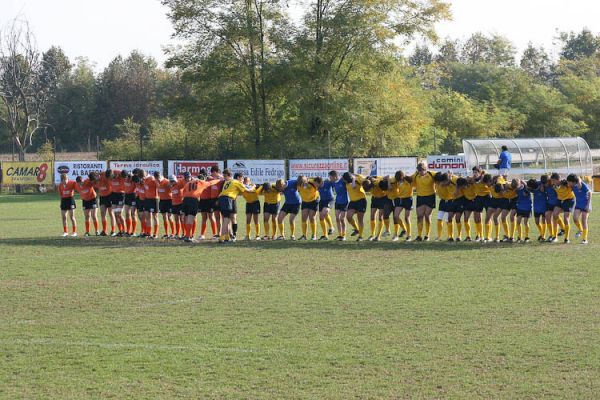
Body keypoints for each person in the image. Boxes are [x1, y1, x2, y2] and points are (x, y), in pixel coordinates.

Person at [218, 169, 250, 243]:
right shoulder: (236, 182)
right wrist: (253, 187)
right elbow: (246, 189)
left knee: (227, 218)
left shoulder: (227, 182)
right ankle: (222, 237)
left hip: (224, 199)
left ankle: (227, 237)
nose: (224, 177)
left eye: (225, 176)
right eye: (224, 176)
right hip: (227, 199)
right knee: (226, 219)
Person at [411, 162, 436, 241]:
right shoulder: (416, 175)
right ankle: (419, 236)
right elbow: (409, 180)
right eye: (419, 170)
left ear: (425, 169)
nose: (420, 172)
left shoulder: (431, 174)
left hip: (430, 197)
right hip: (420, 197)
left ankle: (427, 235)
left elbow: (440, 177)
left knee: (427, 216)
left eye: (422, 170)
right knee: (419, 217)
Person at [389, 171, 413, 242]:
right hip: (400, 199)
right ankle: (404, 229)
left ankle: (409, 236)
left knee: (407, 218)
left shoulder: (408, 179)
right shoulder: (397, 180)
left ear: (402, 176)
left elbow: (412, 180)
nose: (398, 181)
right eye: (397, 180)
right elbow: (390, 179)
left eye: (399, 179)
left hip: (408, 199)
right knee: (396, 216)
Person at [567, 174, 592, 244]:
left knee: (584, 220)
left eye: (569, 182)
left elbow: (590, 193)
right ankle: (580, 229)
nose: (568, 183)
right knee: (575, 218)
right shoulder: (572, 185)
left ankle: (584, 239)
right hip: (578, 204)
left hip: (586, 204)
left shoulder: (582, 185)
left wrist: (588, 205)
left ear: (572, 181)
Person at [343, 172, 367, 242]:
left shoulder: (357, 180)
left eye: (344, 179)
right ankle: (356, 229)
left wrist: (354, 178)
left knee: (360, 219)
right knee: (348, 217)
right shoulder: (347, 183)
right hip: (353, 202)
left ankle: (360, 236)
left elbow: (354, 186)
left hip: (361, 201)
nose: (343, 180)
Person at [76, 172, 100, 236]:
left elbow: (94, 181)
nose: (81, 183)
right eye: (79, 182)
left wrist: (94, 177)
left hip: (93, 199)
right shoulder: (77, 186)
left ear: (83, 180)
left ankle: (97, 231)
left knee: (94, 216)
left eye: (82, 182)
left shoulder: (87, 181)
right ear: (77, 183)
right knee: (87, 216)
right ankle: (87, 232)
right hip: (85, 201)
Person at [553, 175, 575, 243]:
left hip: (569, 200)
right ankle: (561, 230)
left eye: (554, 180)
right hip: (560, 200)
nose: (553, 182)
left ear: (558, 180)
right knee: (554, 215)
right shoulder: (554, 185)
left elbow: (573, 186)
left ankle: (566, 238)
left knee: (566, 218)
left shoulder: (565, 183)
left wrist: (567, 184)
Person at [298, 176, 320, 240]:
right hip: (305, 201)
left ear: (306, 181)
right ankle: (304, 236)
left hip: (314, 200)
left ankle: (314, 235)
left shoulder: (312, 182)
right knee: (303, 218)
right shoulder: (297, 184)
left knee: (312, 218)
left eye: (303, 182)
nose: (301, 184)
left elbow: (319, 182)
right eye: (300, 183)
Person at [330, 171, 350, 241]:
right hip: (337, 202)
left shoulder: (342, 180)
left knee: (342, 218)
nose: (329, 178)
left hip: (345, 202)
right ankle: (340, 235)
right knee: (337, 218)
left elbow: (349, 175)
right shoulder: (332, 183)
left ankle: (344, 235)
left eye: (330, 177)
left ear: (334, 176)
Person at [317, 174, 336, 241]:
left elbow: (334, 183)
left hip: (330, 200)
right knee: (322, 217)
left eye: (317, 184)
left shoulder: (327, 183)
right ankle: (326, 233)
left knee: (324, 213)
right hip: (322, 201)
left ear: (321, 182)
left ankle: (329, 231)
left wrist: (332, 180)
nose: (316, 186)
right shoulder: (317, 185)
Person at [96, 170, 115, 236]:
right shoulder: (98, 178)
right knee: (102, 213)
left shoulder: (105, 176)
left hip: (109, 196)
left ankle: (113, 230)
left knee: (111, 213)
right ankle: (104, 230)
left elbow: (107, 172)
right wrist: (97, 175)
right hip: (102, 197)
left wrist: (100, 174)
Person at [110, 169, 126, 236]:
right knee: (115, 214)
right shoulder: (110, 176)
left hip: (121, 195)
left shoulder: (120, 175)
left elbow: (123, 173)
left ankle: (124, 231)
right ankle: (120, 231)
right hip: (114, 195)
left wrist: (117, 175)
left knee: (119, 214)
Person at [158, 173, 174, 238]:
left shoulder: (167, 181)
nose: (158, 180)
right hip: (162, 201)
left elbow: (172, 188)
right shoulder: (157, 182)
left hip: (169, 201)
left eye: (159, 178)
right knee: (164, 217)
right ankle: (166, 233)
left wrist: (170, 185)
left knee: (170, 217)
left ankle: (173, 233)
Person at [169, 175, 185, 239]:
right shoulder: (171, 186)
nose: (172, 182)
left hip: (180, 204)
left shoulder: (179, 184)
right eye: (171, 181)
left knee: (182, 219)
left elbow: (184, 181)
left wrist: (179, 179)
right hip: (174, 204)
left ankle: (184, 233)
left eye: (173, 181)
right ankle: (177, 233)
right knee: (176, 219)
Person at [122, 170, 137, 236]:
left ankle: (133, 232)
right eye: (126, 177)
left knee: (133, 214)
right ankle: (128, 231)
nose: (127, 178)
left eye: (128, 176)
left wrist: (132, 178)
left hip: (133, 196)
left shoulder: (133, 180)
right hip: (127, 196)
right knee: (127, 214)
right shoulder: (124, 179)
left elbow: (138, 185)